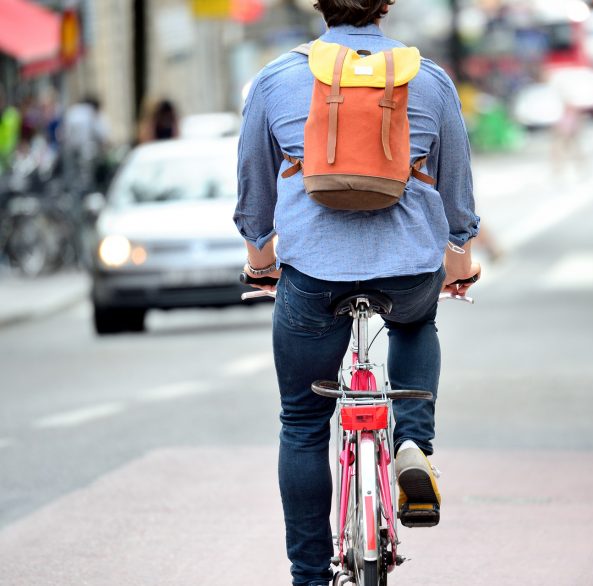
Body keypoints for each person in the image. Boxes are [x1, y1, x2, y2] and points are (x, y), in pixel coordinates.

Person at [233, 2, 481, 585]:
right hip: (408, 272)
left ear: (319, 4)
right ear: (385, 6)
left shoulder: (275, 80)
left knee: (301, 422)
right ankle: (412, 444)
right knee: (416, 323)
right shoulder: (430, 78)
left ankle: (310, 576)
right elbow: (456, 190)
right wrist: (460, 261)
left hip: (313, 275)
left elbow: (254, 195)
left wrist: (260, 261)